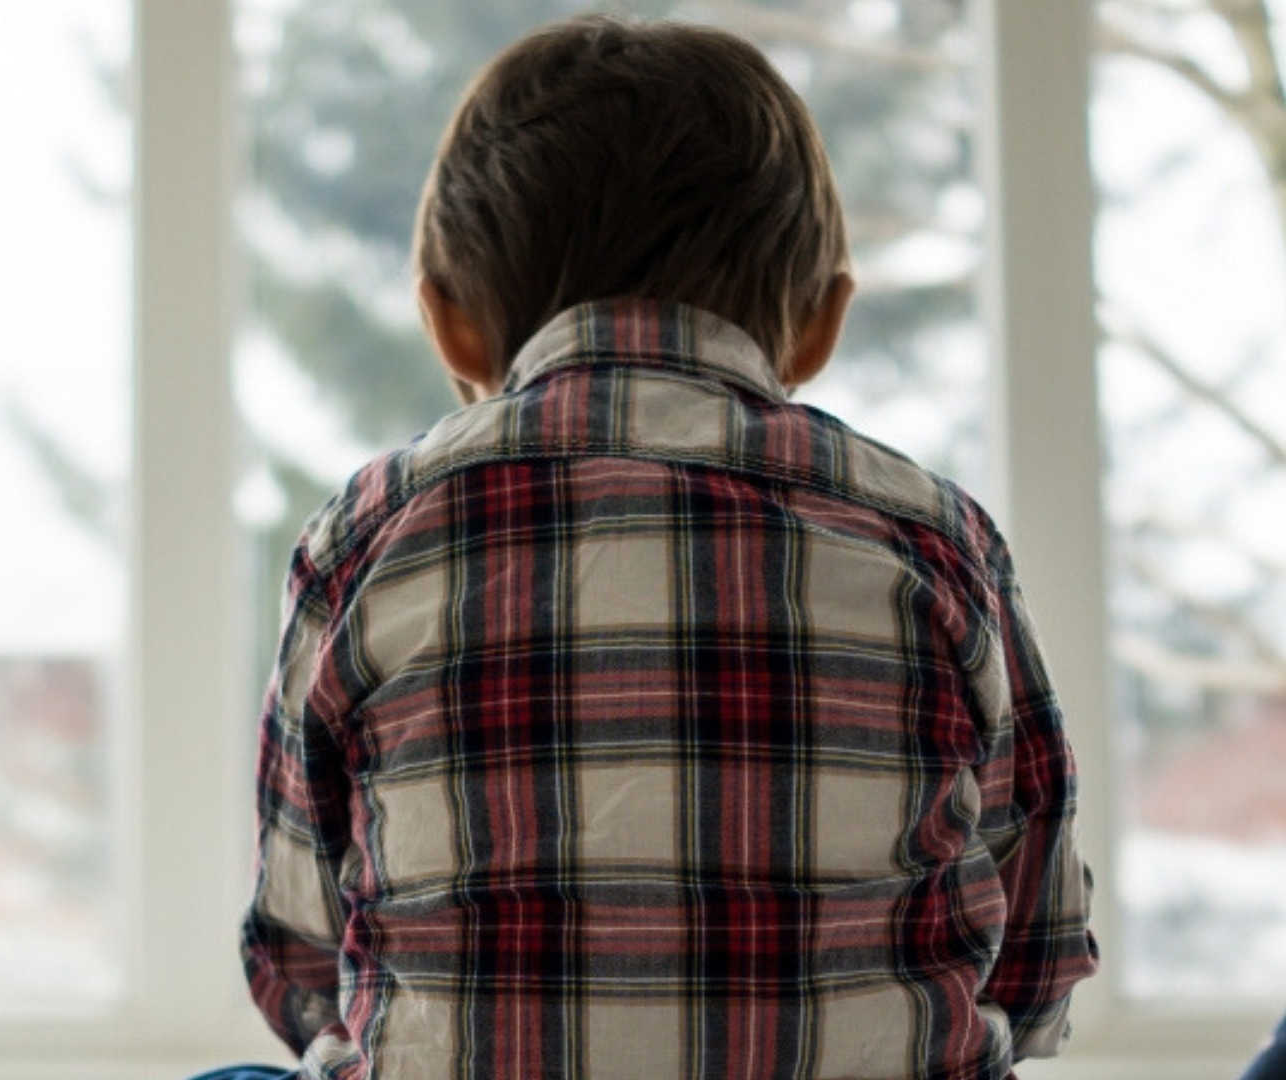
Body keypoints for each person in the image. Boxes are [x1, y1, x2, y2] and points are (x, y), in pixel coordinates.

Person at [238, 14, 1098, 1080]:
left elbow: (298, 962)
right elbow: (1037, 964)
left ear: (448, 326)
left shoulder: (367, 535)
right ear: (821, 324)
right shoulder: (934, 538)